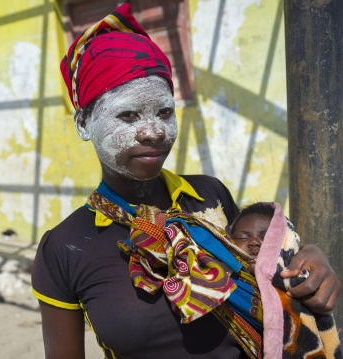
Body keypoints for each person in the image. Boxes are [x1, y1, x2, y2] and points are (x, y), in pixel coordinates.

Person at [31, 4, 341, 358]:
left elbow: (268, 263)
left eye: (164, 112)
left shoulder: (210, 195)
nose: (153, 132)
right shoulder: (64, 249)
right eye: (128, 115)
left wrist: (312, 255)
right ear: (84, 123)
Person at [231, 202, 342, 357]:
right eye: (242, 236)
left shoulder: (296, 280)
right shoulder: (227, 282)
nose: (254, 242)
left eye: (266, 237)